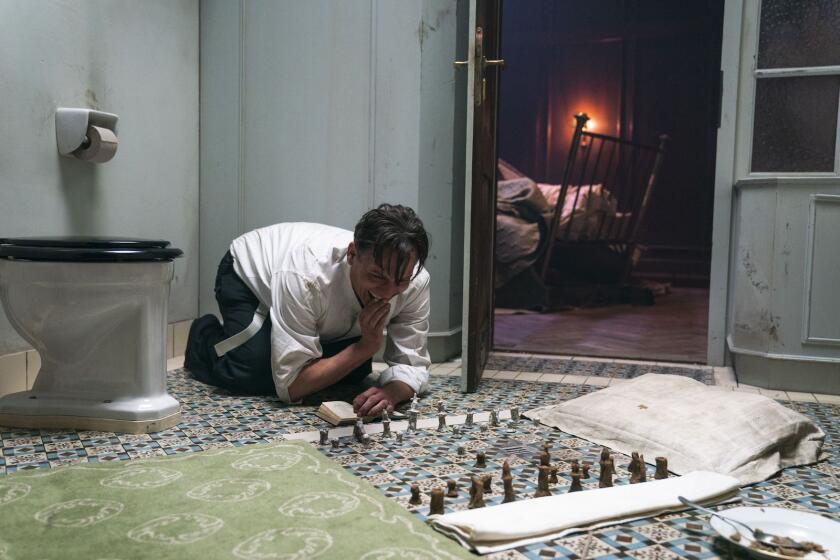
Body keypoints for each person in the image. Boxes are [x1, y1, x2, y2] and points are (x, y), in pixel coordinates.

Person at [184, 203, 431, 416]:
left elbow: (413, 364)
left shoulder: (416, 282)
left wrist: (391, 392)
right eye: (377, 276)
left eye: (400, 280)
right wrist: (364, 347)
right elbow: (290, 386)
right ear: (353, 254)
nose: (387, 292)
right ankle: (203, 335)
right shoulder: (305, 274)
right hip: (249, 274)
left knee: (354, 374)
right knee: (251, 375)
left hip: (305, 300)